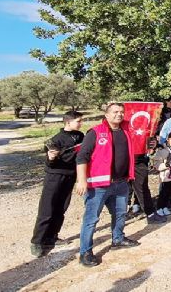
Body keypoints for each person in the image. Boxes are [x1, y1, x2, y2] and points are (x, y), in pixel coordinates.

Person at [76, 103, 140, 267]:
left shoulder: (126, 131)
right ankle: (85, 252)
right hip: (98, 186)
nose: (119, 114)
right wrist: (81, 180)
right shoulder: (95, 132)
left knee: (120, 214)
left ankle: (118, 239)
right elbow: (82, 157)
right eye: (115, 112)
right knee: (91, 219)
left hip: (121, 183)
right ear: (106, 115)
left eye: (121, 112)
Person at [30, 112, 84, 257]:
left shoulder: (80, 136)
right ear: (68, 122)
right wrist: (51, 157)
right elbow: (50, 163)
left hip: (70, 176)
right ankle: (37, 242)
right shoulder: (56, 140)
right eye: (78, 121)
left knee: (61, 207)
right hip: (55, 177)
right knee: (47, 209)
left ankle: (52, 237)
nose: (81, 124)